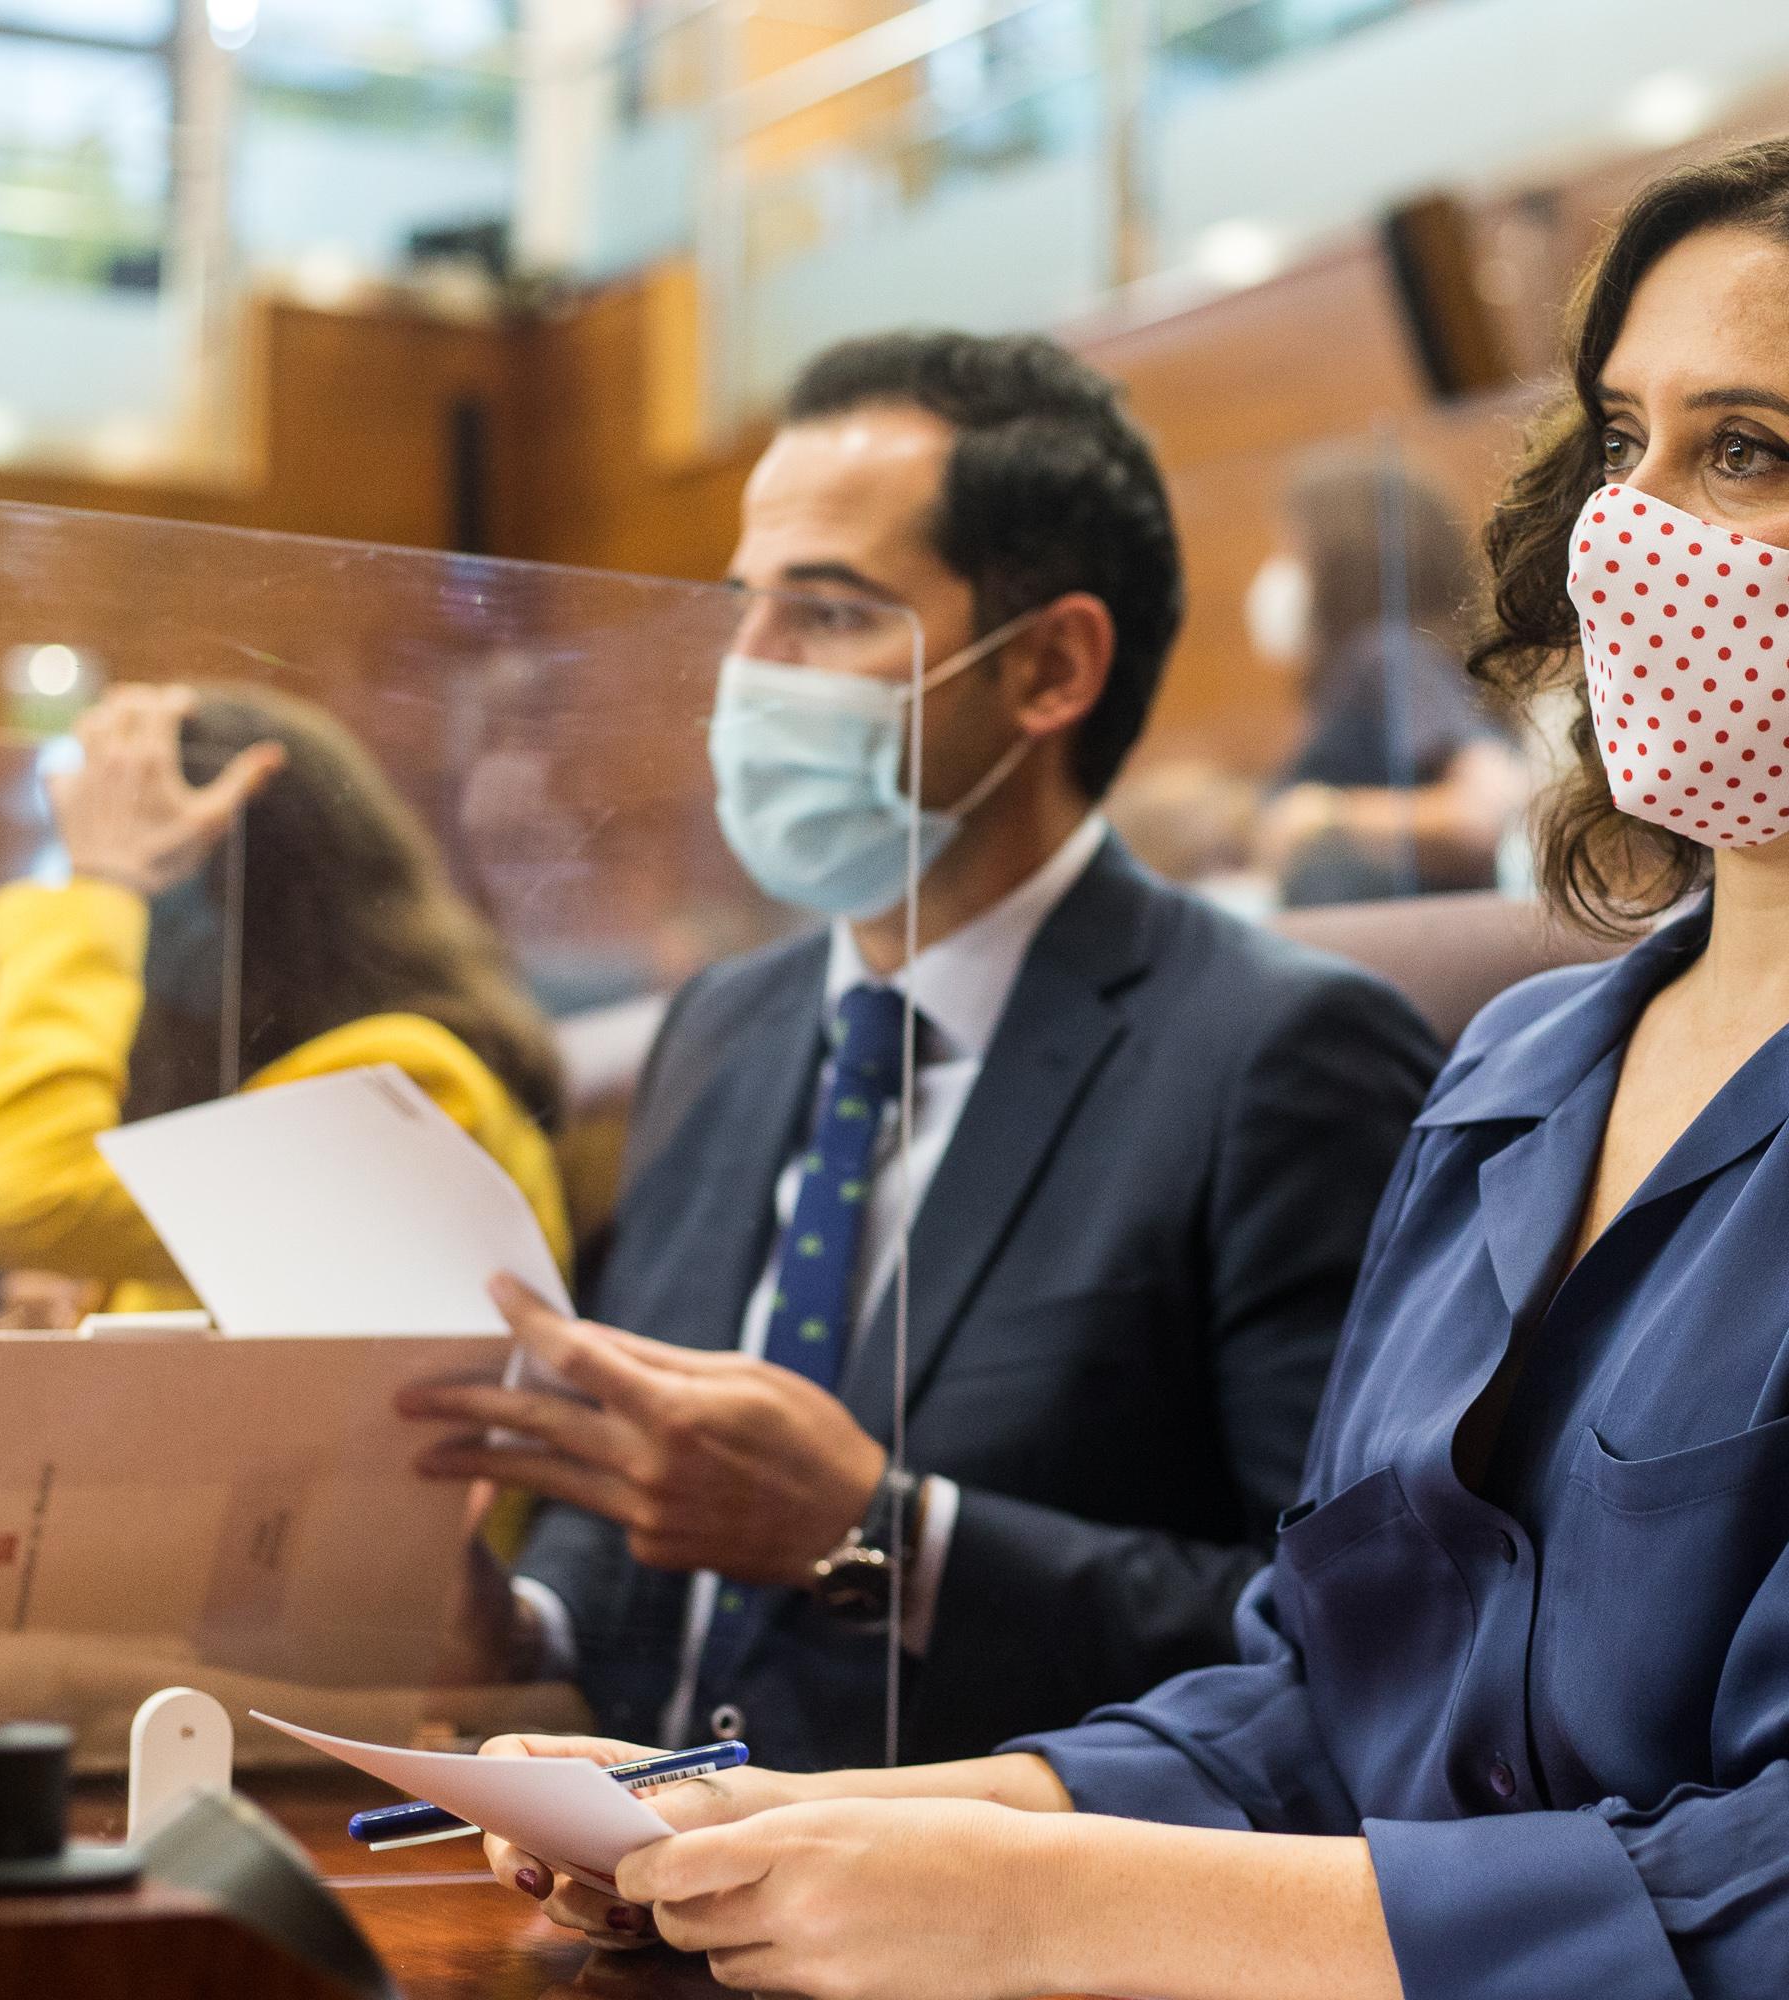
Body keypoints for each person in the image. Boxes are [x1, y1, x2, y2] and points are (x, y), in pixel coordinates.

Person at [465, 132, 1789, 2000]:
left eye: (1748, 449)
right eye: (1625, 440)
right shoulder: (1525, 1066)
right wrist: (772, 1827)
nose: (1629, 528)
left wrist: (1020, 1908)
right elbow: (1317, 1702)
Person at [397, 331, 1442, 1769]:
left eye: (826, 616)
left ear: (1050, 667)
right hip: (636, 1885)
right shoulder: (727, 1024)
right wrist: (516, 1638)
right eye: (744, 609)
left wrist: (889, 1542)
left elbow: (1364, 1638)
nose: (747, 673)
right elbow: (637, 1532)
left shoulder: (1277, 1054)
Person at [0, 682, 570, 1310]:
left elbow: (19, 1201)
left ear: (263, 883)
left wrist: (102, 884)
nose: (129, 914)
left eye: (156, 854)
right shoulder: (247, 1091)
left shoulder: (409, 1080)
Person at [1247, 451, 1529, 903]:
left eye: (1294, 552)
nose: (1278, 575)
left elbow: (1482, 808)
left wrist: (1326, 813)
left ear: (1344, 558)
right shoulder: (1384, 660)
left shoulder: (1390, 653)